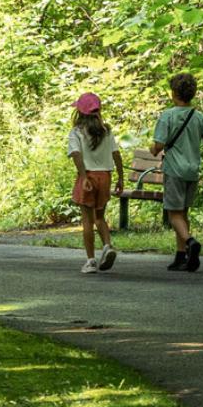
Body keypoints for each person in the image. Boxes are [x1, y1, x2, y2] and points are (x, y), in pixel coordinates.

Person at [150, 72, 203, 272]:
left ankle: (190, 242)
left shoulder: (168, 116)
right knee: (183, 213)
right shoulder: (198, 116)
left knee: (174, 214)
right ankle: (181, 256)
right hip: (192, 170)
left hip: (174, 170)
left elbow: (159, 144)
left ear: (173, 93)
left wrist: (153, 149)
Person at [67, 92, 124, 274]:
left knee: (87, 221)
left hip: (88, 176)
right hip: (105, 176)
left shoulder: (77, 132)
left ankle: (90, 261)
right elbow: (116, 154)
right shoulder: (106, 131)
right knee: (100, 217)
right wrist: (121, 178)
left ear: (79, 112)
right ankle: (107, 245)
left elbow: (76, 154)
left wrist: (83, 177)